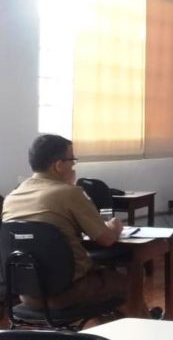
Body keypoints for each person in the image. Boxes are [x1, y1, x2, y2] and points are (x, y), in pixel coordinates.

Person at [2, 134, 152, 318]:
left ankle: (110, 326)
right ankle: (143, 327)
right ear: (59, 165)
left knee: (101, 285)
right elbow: (106, 239)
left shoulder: (12, 197)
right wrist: (115, 226)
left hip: (28, 294)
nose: (73, 166)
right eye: (72, 161)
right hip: (68, 292)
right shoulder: (69, 192)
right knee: (129, 281)